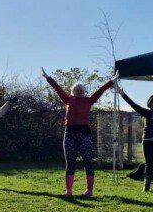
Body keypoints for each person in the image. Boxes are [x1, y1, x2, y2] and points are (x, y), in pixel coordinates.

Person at [43, 68, 115, 197]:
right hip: (69, 133)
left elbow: (100, 91)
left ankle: (89, 191)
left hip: (84, 134)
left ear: (84, 92)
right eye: (77, 90)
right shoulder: (67, 100)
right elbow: (57, 88)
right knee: (70, 162)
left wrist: (111, 82)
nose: (79, 92)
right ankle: (69, 191)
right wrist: (48, 78)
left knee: (87, 161)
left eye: (81, 90)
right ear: (72, 92)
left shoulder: (88, 100)